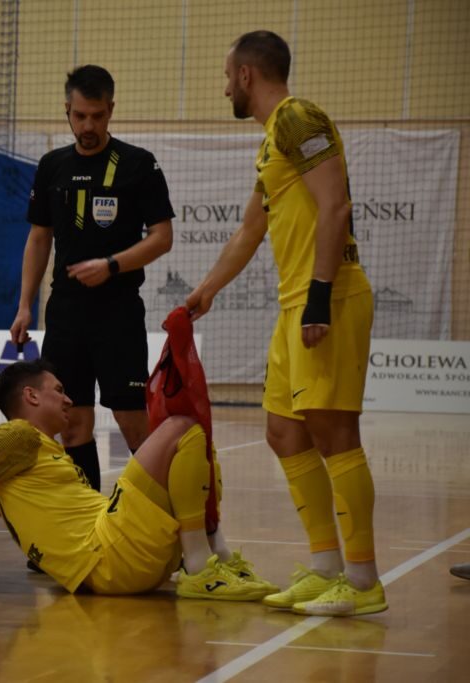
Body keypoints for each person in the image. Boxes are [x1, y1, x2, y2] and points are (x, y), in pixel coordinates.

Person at [185, 31, 385, 617]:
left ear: (246, 74)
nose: (225, 87)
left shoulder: (298, 117)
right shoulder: (274, 139)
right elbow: (251, 229)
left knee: (334, 433)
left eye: (227, 76)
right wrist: (205, 291)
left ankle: (363, 581)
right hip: (292, 303)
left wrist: (319, 297)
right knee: (284, 432)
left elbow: (336, 204)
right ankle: (325, 567)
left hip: (329, 297)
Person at [0, 359, 275, 600]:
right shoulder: (15, 435)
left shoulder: (34, 463)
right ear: (30, 396)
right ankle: (201, 567)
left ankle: (208, 558)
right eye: (59, 391)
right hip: (111, 554)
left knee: (199, 450)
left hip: (124, 568)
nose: (67, 399)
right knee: (181, 428)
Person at [10, 65, 174, 491]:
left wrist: (112, 265)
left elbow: (162, 238)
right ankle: (89, 520)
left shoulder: (138, 164)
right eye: (80, 115)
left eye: (97, 116)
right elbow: (39, 238)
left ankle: (168, 516)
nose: (88, 126)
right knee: (72, 424)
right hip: (65, 314)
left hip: (118, 313)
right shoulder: (52, 166)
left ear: (111, 110)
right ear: (67, 109)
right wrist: (25, 305)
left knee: (133, 421)